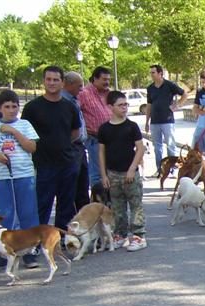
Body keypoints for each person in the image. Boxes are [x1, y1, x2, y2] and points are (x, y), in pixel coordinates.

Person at [21, 66, 81, 232]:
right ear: (44, 81)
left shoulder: (69, 107)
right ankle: (37, 241)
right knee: (42, 205)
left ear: (62, 83)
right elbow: (25, 134)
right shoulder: (32, 108)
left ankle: (63, 238)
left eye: (56, 80)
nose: (52, 83)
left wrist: (61, 144)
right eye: (48, 79)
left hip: (67, 163)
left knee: (67, 206)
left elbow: (75, 132)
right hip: (43, 165)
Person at [0, 90, 40, 270]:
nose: (11, 110)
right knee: (5, 213)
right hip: (3, 176)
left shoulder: (25, 124)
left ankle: (30, 251)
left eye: (14, 106)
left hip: (24, 174)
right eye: (7, 107)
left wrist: (13, 131)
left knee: (28, 212)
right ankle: (4, 250)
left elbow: (31, 147)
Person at [98, 90, 147, 251]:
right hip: (113, 173)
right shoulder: (104, 129)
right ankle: (120, 234)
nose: (124, 108)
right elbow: (101, 152)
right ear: (111, 107)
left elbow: (140, 148)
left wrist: (133, 168)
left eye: (126, 104)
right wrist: (104, 174)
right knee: (118, 207)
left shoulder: (131, 127)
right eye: (120, 105)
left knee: (135, 205)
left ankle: (139, 235)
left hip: (130, 173)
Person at [144, 64, 187, 174]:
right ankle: (160, 169)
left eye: (153, 72)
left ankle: (171, 169)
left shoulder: (169, 85)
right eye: (151, 73)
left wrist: (177, 105)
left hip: (167, 120)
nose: (151, 75)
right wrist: (147, 121)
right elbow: (149, 104)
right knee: (157, 147)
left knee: (170, 145)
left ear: (160, 73)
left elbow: (184, 94)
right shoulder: (150, 88)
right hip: (154, 121)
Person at [77, 66, 111, 186]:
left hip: (111, 140)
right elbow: (74, 111)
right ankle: (98, 201)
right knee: (97, 173)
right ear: (94, 79)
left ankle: (109, 201)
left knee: (110, 172)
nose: (107, 82)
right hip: (94, 139)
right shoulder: (84, 94)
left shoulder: (110, 94)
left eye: (108, 79)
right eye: (104, 79)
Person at [62, 71, 90, 212]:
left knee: (83, 188)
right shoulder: (64, 102)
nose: (81, 89)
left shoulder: (74, 100)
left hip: (80, 147)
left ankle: (85, 221)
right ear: (69, 84)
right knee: (72, 188)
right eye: (79, 86)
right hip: (71, 147)